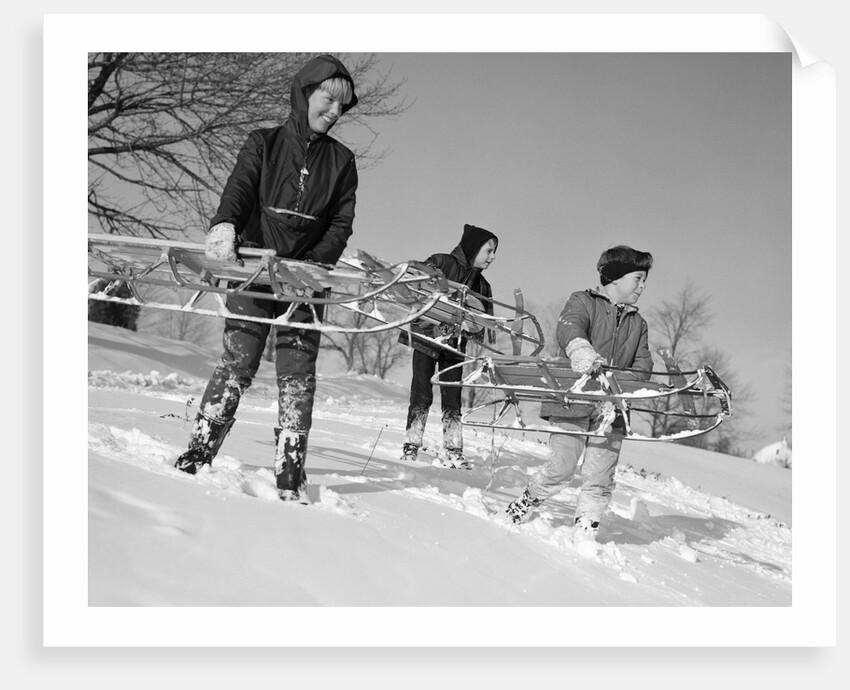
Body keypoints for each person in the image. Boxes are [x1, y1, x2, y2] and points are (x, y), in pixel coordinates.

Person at [174, 54, 359, 501]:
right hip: (256, 269)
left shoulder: (343, 161)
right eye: (328, 99)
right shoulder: (264, 142)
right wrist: (225, 224)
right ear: (304, 93)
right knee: (239, 360)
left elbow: (340, 222)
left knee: (298, 374)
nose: (334, 112)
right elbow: (240, 188)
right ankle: (199, 452)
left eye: (342, 107)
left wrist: (311, 265)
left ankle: (290, 476)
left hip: (307, 279)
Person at [505, 245, 654, 544]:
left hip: (611, 409)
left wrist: (622, 384)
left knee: (600, 476)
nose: (643, 285)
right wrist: (579, 348)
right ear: (615, 278)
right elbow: (569, 327)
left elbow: (643, 366)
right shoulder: (583, 301)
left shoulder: (638, 324)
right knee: (562, 466)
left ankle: (586, 527)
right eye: (637, 278)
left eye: (644, 279)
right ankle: (526, 501)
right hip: (571, 399)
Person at [399, 223, 498, 469]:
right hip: (427, 337)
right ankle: (411, 446)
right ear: (474, 248)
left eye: (494, 252)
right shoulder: (442, 262)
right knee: (421, 391)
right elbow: (420, 281)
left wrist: (480, 327)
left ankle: (453, 449)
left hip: (455, 346)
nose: (492, 257)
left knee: (453, 397)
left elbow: (481, 325)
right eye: (489, 251)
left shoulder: (483, 287)